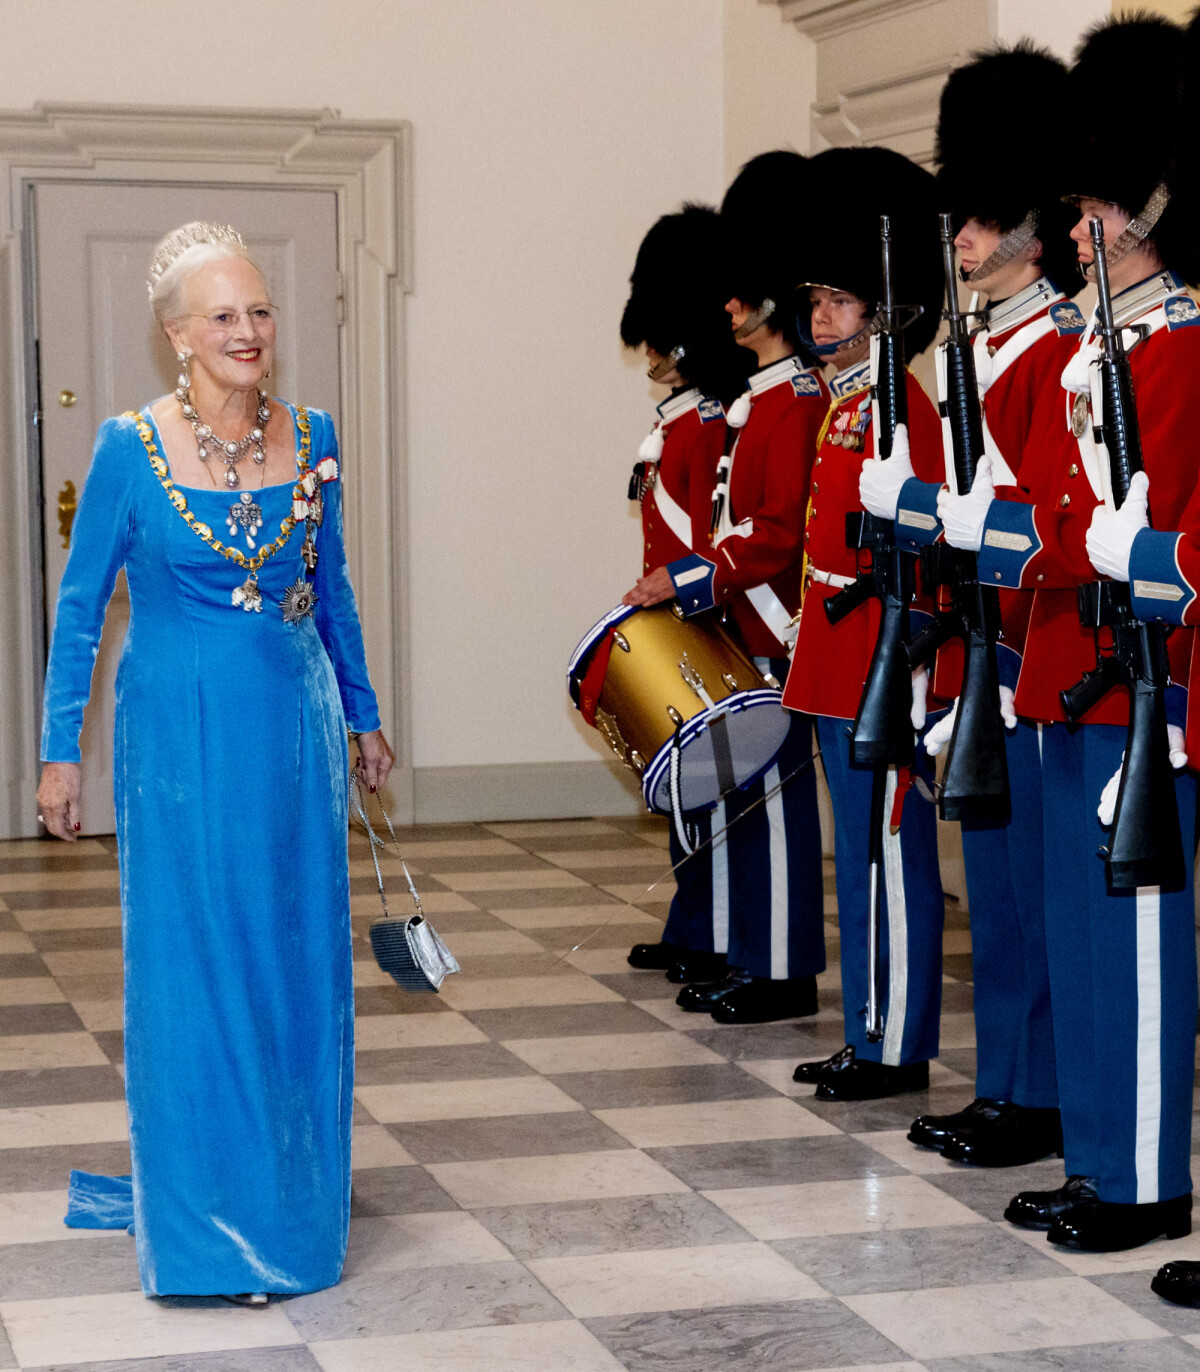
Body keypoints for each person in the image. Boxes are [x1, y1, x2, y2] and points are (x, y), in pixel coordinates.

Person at [36, 221, 393, 1300]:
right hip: (180, 736)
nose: (250, 332)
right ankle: (205, 1222)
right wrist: (60, 751)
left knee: (292, 957)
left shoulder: (314, 432)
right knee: (200, 962)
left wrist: (363, 713)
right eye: (225, 315)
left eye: (262, 310)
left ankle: (287, 1187)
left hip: (292, 730)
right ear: (177, 334)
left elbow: (328, 587)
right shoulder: (125, 449)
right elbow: (80, 606)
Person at [936, 14, 1200, 1254]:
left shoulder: (1180, 345)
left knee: (1136, 934)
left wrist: (1106, 548)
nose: (1077, 228)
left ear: (1146, 211)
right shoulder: (1106, 349)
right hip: (1068, 670)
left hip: (1148, 681)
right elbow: (1046, 512)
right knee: (1091, 933)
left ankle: (1147, 1177)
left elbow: (1156, 548)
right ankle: (1101, 1156)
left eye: (1097, 208)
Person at [874, 42, 1082, 1168]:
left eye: (979, 213)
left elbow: (1037, 519)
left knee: (1037, 892)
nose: (960, 234)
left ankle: (1040, 1091)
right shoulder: (988, 343)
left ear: (1028, 222)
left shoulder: (1054, 349)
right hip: (980, 651)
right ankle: (1003, 1077)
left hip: (1035, 648)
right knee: (992, 890)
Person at [625, 151, 827, 1024]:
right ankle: (736, 942)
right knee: (730, 796)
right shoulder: (755, 405)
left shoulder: (787, 402)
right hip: (732, 621)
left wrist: (695, 580)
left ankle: (778, 964)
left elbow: (776, 531)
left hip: (772, 630)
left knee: (769, 811)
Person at [783, 145, 947, 1101]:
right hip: (837, 662)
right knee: (862, 861)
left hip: (882, 666)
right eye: (817, 303)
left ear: (883, 309)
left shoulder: (902, 405)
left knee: (891, 856)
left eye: (840, 303)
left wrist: (914, 680)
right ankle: (869, 1026)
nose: (820, 319)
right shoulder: (847, 404)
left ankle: (897, 1041)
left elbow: (920, 552)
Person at [620, 203, 753, 986]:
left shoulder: (706, 422)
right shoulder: (684, 419)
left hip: (709, 619)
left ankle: (715, 933)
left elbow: (715, 531)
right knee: (690, 791)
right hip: (681, 618)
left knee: (715, 795)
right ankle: (695, 922)